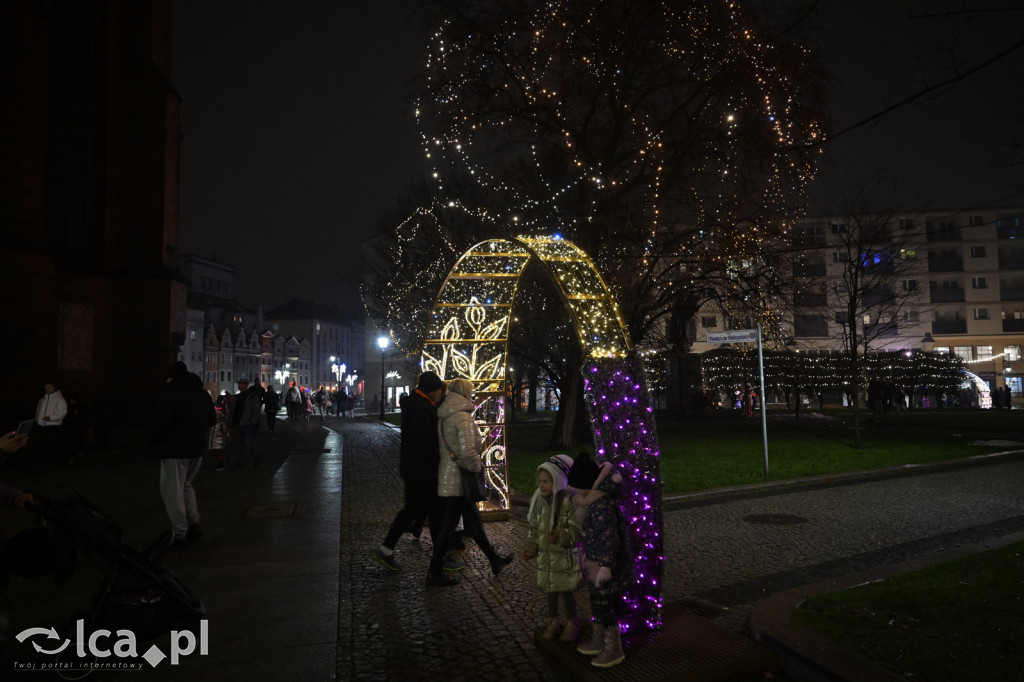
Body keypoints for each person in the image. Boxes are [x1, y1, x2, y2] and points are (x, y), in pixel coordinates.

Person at [373, 372, 462, 573]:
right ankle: (440, 559)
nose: (441, 394)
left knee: (412, 510)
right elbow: (426, 441)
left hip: (415, 469)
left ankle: (387, 549)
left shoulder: (416, 405)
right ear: (433, 390)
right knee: (435, 514)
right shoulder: (421, 409)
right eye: (439, 390)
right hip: (423, 470)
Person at [429, 378, 513, 587]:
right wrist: (477, 469)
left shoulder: (446, 414)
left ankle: (494, 559)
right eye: (471, 391)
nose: (473, 395)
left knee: (474, 522)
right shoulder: (462, 417)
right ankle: (434, 572)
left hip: (451, 477)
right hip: (460, 480)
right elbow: (467, 452)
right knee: (449, 527)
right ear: (465, 392)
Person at [570, 456, 633, 668]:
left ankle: (613, 648)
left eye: (578, 487)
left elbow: (609, 539)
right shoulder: (592, 502)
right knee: (597, 603)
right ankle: (598, 640)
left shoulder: (601, 506)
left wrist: (606, 567)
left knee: (605, 606)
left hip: (606, 567)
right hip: (595, 563)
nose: (576, 491)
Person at [150, 361, 216, 550]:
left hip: (175, 449)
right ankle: (194, 523)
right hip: (197, 449)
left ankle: (180, 533)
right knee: (186, 485)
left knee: (172, 491)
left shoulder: (169, 394)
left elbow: (159, 423)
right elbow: (212, 419)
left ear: (171, 378)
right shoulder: (202, 394)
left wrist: (154, 441)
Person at [522, 454, 582, 641]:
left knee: (566, 591)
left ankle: (572, 622)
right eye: (539, 481)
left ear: (557, 481)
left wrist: (560, 536)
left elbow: (576, 531)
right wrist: (531, 548)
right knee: (551, 591)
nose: (541, 486)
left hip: (564, 559)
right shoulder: (540, 502)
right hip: (548, 558)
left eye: (546, 482)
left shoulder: (568, 502)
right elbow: (534, 528)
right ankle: (553, 621)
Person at [229, 379, 261, 469]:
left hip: (247, 424)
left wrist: (253, 422)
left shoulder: (252, 396)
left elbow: (256, 410)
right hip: (237, 423)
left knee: (248, 442)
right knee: (238, 445)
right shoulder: (237, 397)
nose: (239, 386)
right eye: (239, 384)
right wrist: (230, 422)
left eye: (241, 384)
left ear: (246, 385)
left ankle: (256, 456)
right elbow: (233, 411)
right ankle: (240, 463)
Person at [34, 382, 67, 462]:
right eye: (46, 387)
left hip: (53, 427)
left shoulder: (60, 399)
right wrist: (37, 420)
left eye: (49, 387)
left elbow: (62, 413)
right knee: (41, 446)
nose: (47, 389)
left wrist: (50, 418)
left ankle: (55, 463)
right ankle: (42, 463)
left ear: (54, 388)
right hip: (41, 426)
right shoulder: (42, 399)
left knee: (52, 446)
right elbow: (38, 411)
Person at [209, 406, 228, 472]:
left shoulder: (221, 423)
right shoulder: (214, 423)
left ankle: (220, 463)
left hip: (219, 440)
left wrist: (225, 435)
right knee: (214, 451)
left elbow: (225, 431)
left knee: (217, 451)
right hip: (214, 439)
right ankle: (220, 462)